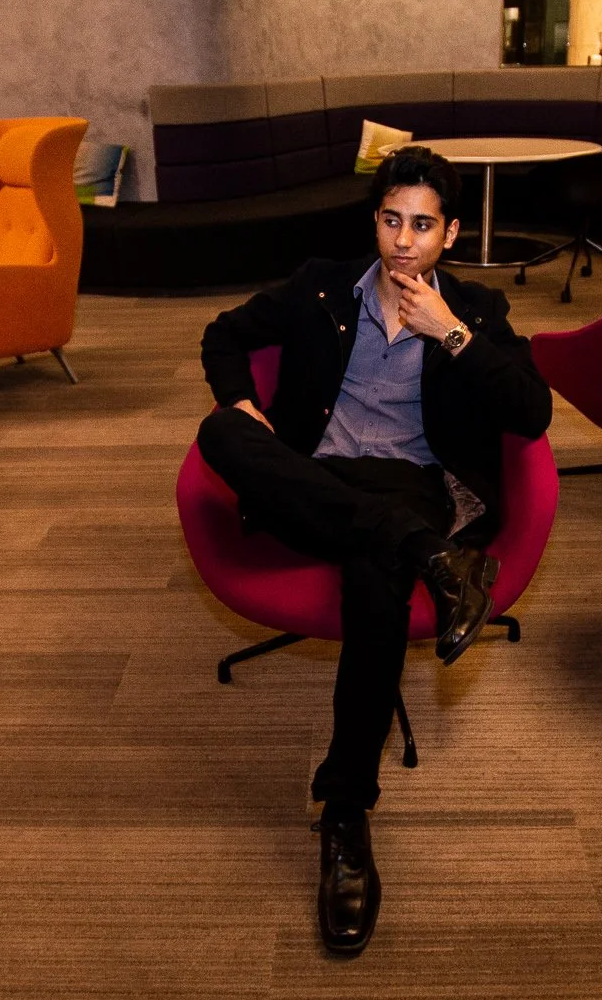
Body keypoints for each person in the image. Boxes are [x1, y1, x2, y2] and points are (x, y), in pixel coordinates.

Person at [197, 145, 552, 955]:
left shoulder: (477, 309)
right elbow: (224, 334)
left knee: (373, 577)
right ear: (376, 221)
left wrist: (452, 334)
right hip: (309, 478)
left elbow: (532, 414)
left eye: (422, 225)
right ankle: (434, 558)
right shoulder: (323, 283)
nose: (402, 241)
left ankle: (346, 814)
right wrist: (243, 403)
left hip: (407, 485)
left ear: (451, 233)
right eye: (391, 220)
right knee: (220, 433)